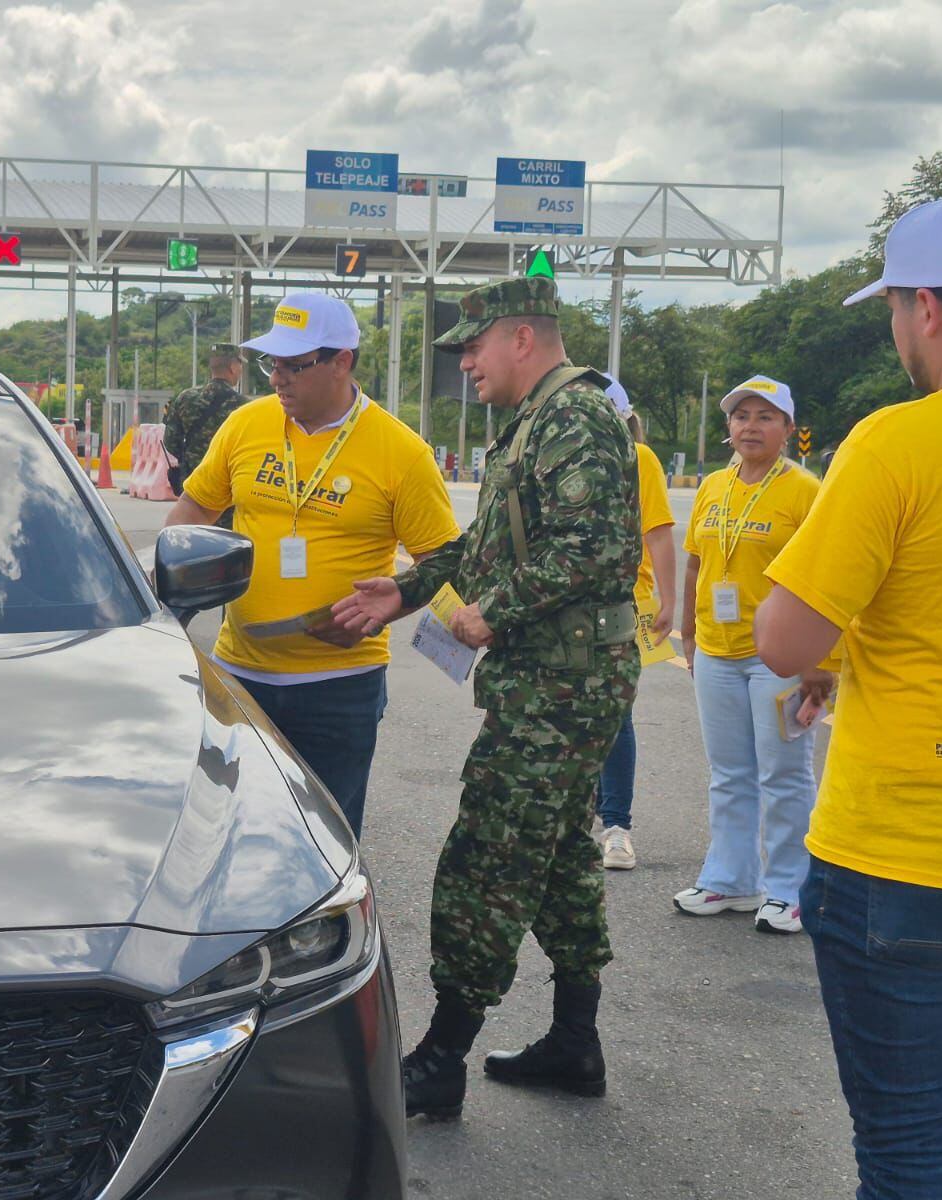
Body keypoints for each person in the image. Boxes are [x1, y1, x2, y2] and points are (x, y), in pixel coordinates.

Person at [332, 276, 640, 1119]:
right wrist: (409, 588)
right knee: (559, 857)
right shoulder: (536, 422)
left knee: (489, 857)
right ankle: (577, 1042)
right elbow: (489, 540)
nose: (461, 362)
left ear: (521, 338)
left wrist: (486, 612)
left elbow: (591, 546)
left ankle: (440, 1057)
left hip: (561, 685)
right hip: (559, 679)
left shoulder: (571, 416)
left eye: (470, 345)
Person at [754, 193, 942, 1195]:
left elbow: (785, 639)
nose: (894, 328)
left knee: (904, 1152)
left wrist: (842, 645)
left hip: (905, 849)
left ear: (926, 308)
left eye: (892, 307)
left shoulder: (897, 442)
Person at [163, 291, 459, 835]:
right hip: (240, 676)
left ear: (341, 361)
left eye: (295, 366)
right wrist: (162, 579)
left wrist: (399, 604)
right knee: (228, 832)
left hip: (339, 686)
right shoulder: (247, 425)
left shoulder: (402, 452)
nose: (278, 378)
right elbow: (196, 505)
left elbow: (443, 559)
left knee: (325, 837)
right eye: (271, 363)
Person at [672, 375, 832, 934]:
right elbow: (695, 563)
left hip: (780, 657)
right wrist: (689, 634)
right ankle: (731, 879)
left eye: (765, 417)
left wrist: (819, 658)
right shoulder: (714, 486)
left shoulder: (807, 491)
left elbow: (824, 575)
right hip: (717, 650)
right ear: (729, 429)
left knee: (785, 773)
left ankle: (789, 888)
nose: (751, 426)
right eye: (741, 416)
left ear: (788, 429)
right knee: (729, 773)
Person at [595, 373, 676, 870]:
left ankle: (617, 826)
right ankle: (585, 816)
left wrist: (669, 602)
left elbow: (660, 531)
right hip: (577, 608)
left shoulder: (638, 458)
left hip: (627, 605)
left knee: (615, 715)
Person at [163, 343, 247, 499]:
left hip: (192, 487)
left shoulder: (185, 398)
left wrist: (191, 458)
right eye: (240, 365)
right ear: (233, 367)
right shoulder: (244, 406)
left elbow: (170, 442)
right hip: (226, 490)